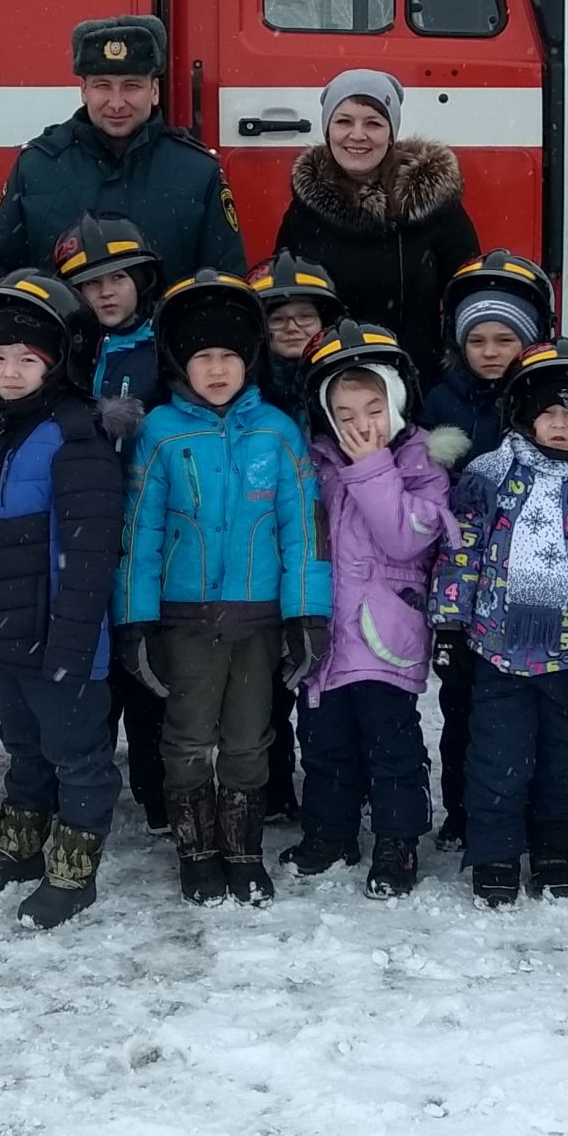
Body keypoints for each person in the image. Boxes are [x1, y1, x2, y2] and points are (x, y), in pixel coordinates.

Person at [113, 270, 331, 907]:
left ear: (249, 362)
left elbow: (304, 535)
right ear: (182, 361)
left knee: (248, 737)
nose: (216, 369)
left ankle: (242, 848)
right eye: (203, 357)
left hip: (260, 620)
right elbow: (140, 533)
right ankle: (197, 851)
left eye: (229, 357)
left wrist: (306, 616)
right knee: (185, 736)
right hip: (185, 619)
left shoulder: (279, 433)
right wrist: (135, 621)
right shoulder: (159, 432)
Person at [429, 341, 568, 905]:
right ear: (525, 417)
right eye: (547, 413)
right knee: (496, 759)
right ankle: (495, 851)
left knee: (564, 765)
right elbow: (463, 551)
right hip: (497, 653)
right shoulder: (490, 478)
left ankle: (552, 848)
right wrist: (449, 626)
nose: (557, 425)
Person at [0, 271, 127, 929]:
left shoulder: (76, 437)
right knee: (24, 746)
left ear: (55, 363)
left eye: (28, 359)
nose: (11, 371)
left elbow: (88, 556)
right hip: (9, 633)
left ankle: (73, 871)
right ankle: (21, 848)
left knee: (77, 756)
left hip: (64, 639)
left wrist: (73, 645)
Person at [283, 321, 454, 899]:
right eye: (346, 413)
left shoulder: (419, 463)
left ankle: (397, 841)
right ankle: (330, 833)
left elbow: (407, 537)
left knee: (392, 747)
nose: (361, 426)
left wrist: (372, 469)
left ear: (397, 401)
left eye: (373, 408)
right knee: (325, 741)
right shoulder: (314, 464)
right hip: (326, 637)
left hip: (386, 632)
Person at [422, 251, 556, 852]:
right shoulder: (443, 400)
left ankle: (527, 808)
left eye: (506, 338)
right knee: (463, 706)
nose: (491, 351)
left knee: (530, 711)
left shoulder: (549, 398)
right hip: (467, 579)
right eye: (477, 339)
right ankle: (464, 808)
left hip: (535, 580)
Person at [55, 212, 169, 831]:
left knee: (146, 665)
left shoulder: (162, 347)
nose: (105, 291)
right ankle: (80, 788)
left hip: (146, 530)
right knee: (84, 667)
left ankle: (156, 794)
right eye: (89, 282)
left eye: (118, 277)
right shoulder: (63, 347)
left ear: (141, 280)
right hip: (77, 530)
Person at [0, 15, 244, 281]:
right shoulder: (36, 166)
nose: (117, 103)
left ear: (154, 90)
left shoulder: (198, 172)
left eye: (131, 86)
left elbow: (225, 284)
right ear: (84, 90)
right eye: (103, 86)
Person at [273, 71, 480, 385]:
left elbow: (470, 297)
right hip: (329, 384)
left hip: (417, 382)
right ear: (328, 129)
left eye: (373, 123)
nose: (357, 135)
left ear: (391, 133)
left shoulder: (433, 206)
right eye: (344, 122)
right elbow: (283, 302)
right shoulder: (305, 212)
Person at [246, 250, 347, 819]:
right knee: (265, 684)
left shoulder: (343, 382)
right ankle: (272, 782)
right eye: (276, 316)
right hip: (263, 550)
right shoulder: (244, 392)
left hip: (331, 548)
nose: (290, 327)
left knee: (320, 675)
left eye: (304, 317)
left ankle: (330, 790)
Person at [248, 252, 346, 419]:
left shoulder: (348, 379)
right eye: (278, 319)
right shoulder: (242, 388)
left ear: (325, 322)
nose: (292, 328)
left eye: (305, 317)